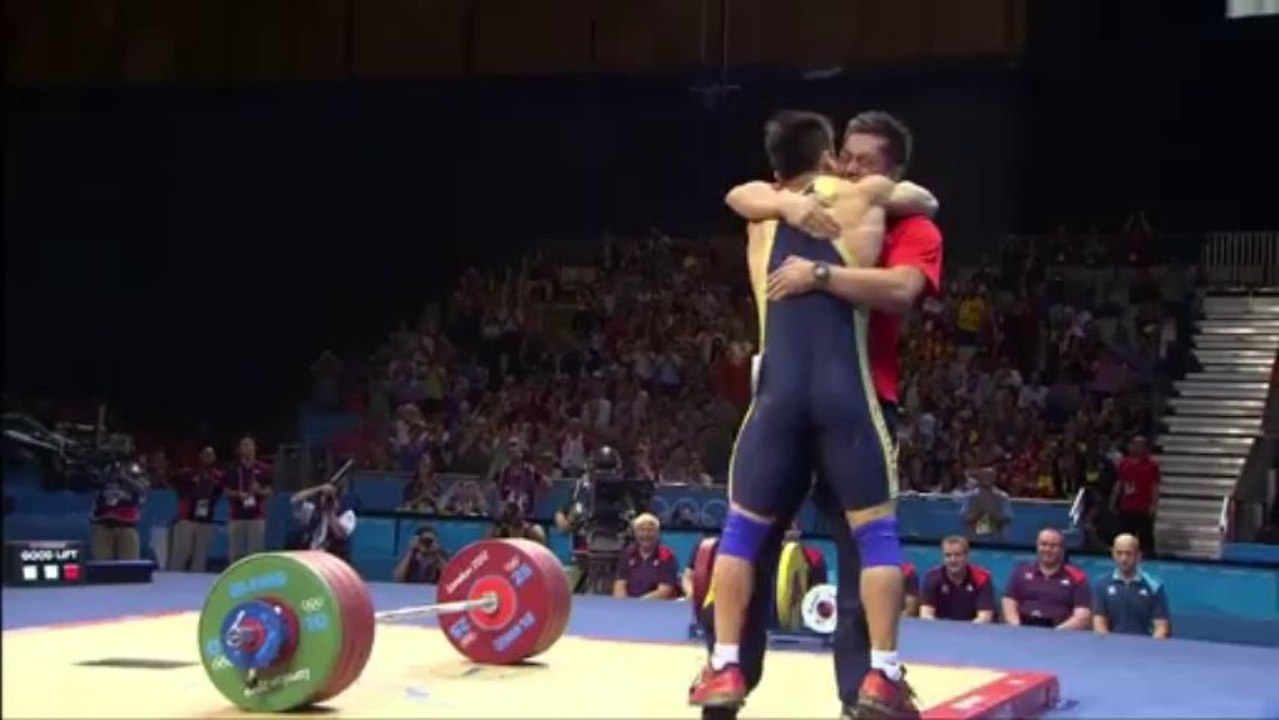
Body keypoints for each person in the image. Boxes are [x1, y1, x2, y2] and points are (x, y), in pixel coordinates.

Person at [690, 110, 935, 715]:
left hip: (782, 395)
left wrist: (811, 255)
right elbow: (924, 196)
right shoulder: (869, 198)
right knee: (874, 535)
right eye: (843, 154)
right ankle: (882, 672)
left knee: (742, 532)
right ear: (828, 154)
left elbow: (903, 287)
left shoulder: (763, 208)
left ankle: (724, 665)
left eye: (864, 160)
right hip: (845, 394)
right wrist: (830, 202)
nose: (850, 167)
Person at [1002, 528, 1091, 630]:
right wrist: (1017, 628)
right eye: (1043, 544)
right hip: (1022, 631)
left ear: (1062, 549)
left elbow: (1082, 616)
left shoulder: (1078, 578)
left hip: (1060, 634)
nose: (1047, 549)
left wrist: (1055, 634)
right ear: (1037, 546)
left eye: (1053, 546)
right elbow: (1008, 602)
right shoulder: (1020, 572)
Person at [1092, 533, 1170, 638]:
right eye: (1119, 553)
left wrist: (1150, 649)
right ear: (1113, 555)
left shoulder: (1154, 585)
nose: (1123, 559)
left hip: (1144, 647)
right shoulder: (1101, 584)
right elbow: (1099, 624)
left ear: (1138, 556)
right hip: (1111, 647)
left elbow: (1161, 627)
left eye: (1128, 553)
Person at [169, 446, 224, 572]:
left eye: (211, 454)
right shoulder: (188, 473)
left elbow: (220, 493)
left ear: (215, 458)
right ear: (200, 457)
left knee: (201, 555)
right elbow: (173, 482)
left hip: (206, 519)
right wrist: (183, 496)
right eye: (205, 454)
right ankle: (172, 580)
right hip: (187, 518)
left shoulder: (218, 477)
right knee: (181, 552)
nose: (208, 457)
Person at [919, 536, 996, 623]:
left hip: (973, 632)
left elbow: (984, 618)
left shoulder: (982, 578)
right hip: (940, 631)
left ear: (967, 556)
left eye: (957, 555)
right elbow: (926, 615)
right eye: (948, 555)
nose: (953, 560)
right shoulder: (931, 577)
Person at [613, 513, 679, 599]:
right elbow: (619, 585)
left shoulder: (666, 555)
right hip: (629, 606)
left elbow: (665, 590)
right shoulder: (627, 554)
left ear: (658, 534)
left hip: (656, 606)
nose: (646, 534)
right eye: (641, 530)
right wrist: (625, 605)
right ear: (635, 533)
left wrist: (639, 605)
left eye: (650, 530)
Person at [290, 482, 357, 561]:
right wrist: (320, 488)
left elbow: (339, 535)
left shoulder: (347, 513)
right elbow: (295, 500)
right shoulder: (313, 511)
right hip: (311, 555)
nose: (326, 499)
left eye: (330, 497)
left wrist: (331, 511)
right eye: (323, 496)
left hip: (333, 558)